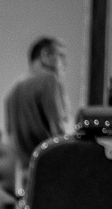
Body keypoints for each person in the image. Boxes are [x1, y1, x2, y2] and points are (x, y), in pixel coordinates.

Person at [4, 36, 73, 166]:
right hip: (50, 166)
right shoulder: (49, 80)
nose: (65, 63)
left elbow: (10, 140)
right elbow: (59, 132)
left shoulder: (12, 92)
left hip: (25, 169)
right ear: (45, 55)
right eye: (61, 56)